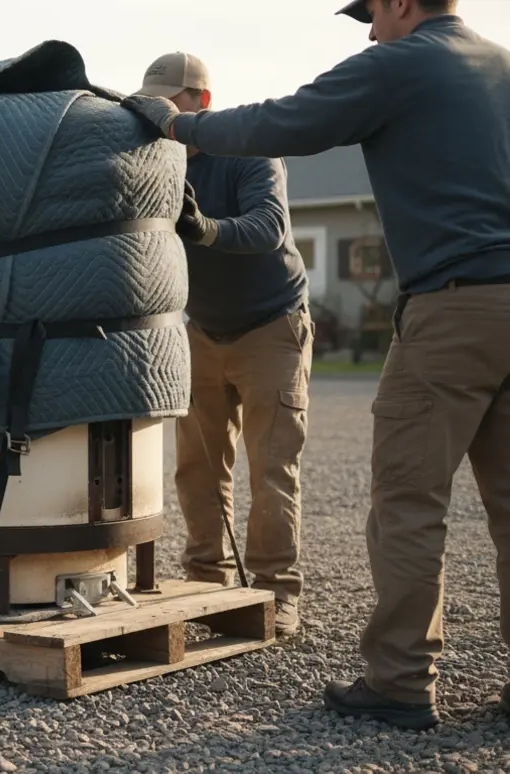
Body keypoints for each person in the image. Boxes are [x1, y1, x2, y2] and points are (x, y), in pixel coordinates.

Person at [123, 0, 510, 732]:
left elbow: (284, 121)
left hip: (450, 308)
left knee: (409, 504)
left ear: (402, 3)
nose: (369, 30)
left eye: (372, 13)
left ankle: (399, 681)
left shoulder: (402, 63)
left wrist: (179, 127)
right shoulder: (500, 68)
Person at [133, 52, 312, 641]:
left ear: (201, 103)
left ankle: (272, 594)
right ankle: (207, 584)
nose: (162, 116)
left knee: (271, 469)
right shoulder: (156, 161)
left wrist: (203, 227)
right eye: (152, 104)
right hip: (201, 328)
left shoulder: (250, 150)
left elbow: (269, 228)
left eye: (172, 103)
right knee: (198, 469)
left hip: (271, 327)